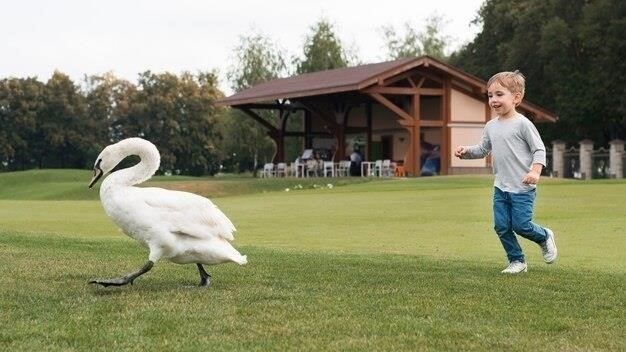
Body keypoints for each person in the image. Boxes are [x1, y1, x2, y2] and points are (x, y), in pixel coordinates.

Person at [454, 70, 557, 274]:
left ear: (516, 98)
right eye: (490, 95)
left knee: (521, 226)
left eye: (499, 94)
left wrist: (535, 172)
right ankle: (517, 261)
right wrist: (466, 152)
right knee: (501, 226)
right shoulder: (491, 126)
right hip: (501, 187)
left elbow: (539, 150)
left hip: (523, 187)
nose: (493, 100)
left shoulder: (524, 124)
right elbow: (483, 149)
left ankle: (544, 236)